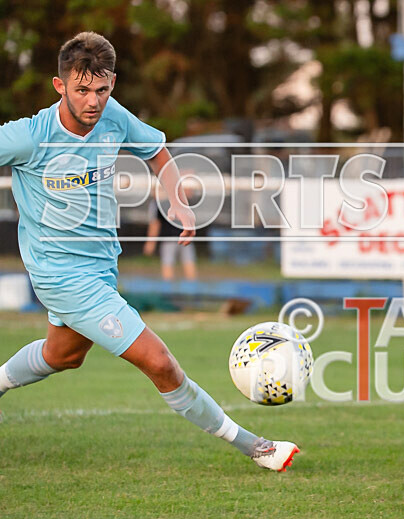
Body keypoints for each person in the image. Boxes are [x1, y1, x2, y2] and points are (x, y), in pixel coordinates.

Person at [0, 32, 297, 471]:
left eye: (101, 90)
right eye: (81, 90)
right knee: (160, 363)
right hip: (61, 276)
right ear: (59, 86)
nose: (92, 101)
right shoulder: (28, 137)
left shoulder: (112, 116)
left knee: (62, 355)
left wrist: (177, 199)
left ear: (113, 83)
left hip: (100, 267)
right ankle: (258, 448)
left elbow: (158, 152)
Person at [143, 189, 198, 281]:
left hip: (173, 238)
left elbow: (155, 224)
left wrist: (150, 243)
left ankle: (180, 290)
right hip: (180, 237)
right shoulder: (176, 199)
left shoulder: (158, 203)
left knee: (171, 266)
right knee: (186, 265)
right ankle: (190, 290)